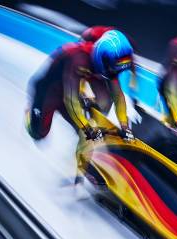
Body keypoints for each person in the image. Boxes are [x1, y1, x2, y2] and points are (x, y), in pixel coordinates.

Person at [25, 27, 137, 181]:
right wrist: (87, 127)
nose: (116, 71)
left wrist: (125, 126)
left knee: (88, 130)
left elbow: (118, 96)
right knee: (39, 134)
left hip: (72, 87)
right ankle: (30, 117)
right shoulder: (79, 58)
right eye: (114, 67)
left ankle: (80, 170)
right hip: (49, 92)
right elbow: (70, 100)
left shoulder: (109, 64)